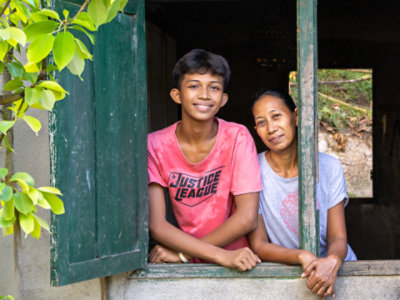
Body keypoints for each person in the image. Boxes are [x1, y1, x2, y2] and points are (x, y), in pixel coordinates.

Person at [147, 49, 262, 271]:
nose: (204, 95)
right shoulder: (155, 145)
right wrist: (215, 255)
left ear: (223, 99)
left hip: (239, 261)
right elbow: (157, 224)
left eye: (214, 87)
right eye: (193, 86)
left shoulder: (237, 137)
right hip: (193, 266)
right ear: (176, 95)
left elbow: (248, 217)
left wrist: (183, 254)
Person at [248, 88, 357, 297]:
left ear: (296, 117)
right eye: (261, 123)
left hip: (340, 271)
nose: (271, 128)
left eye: (276, 116)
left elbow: (338, 237)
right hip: (295, 274)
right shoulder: (253, 169)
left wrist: (332, 261)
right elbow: (259, 245)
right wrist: (302, 256)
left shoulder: (329, 166)